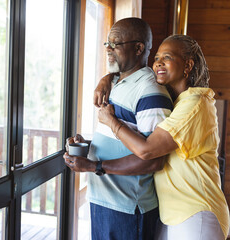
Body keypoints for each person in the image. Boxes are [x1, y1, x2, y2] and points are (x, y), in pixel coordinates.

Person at [65, 34, 230, 240]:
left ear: (187, 65)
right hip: (173, 212)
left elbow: (147, 150)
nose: (158, 62)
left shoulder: (195, 104)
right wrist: (107, 78)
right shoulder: (177, 101)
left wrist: (111, 122)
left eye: (167, 57)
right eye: (157, 57)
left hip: (196, 212)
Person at [65, 17, 173, 240]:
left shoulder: (150, 92)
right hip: (103, 200)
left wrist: (95, 165)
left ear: (138, 48)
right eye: (107, 43)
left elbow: (153, 159)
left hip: (128, 209)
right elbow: (119, 139)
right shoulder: (115, 83)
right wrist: (87, 145)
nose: (108, 49)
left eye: (115, 44)